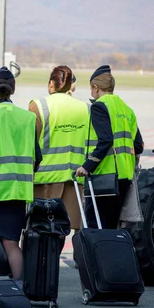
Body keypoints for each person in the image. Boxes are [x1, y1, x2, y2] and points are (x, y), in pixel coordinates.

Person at [0, 67, 42, 281]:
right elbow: (37, 157)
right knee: (11, 243)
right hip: (18, 190)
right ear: (13, 90)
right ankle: (18, 288)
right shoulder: (28, 118)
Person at [75, 65, 144, 229]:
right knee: (112, 227)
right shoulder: (127, 110)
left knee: (95, 226)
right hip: (124, 178)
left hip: (104, 177)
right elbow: (138, 145)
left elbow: (105, 140)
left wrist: (88, 166)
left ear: (95, 88)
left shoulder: (99, 106)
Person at [30, 66, 89, 232]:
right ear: (70, 85)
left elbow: (30, 143)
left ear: (51, 84)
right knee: (67, 229)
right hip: (75, 178)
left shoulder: (39, 106)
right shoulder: (85, 108)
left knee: (40, 229)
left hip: (44, 179)